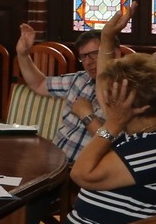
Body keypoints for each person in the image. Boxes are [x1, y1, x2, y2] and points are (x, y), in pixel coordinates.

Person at [0, 49, 156, 224]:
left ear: (125, 103)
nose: (105, 103)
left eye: (109, 97)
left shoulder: (154, 147)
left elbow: (81, 174)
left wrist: (112, 124)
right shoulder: (147, 135)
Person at [14, 24, 104, 156]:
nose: (88, 62)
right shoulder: (79, 79)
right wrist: (23, 55)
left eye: (94, 54)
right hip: (54, 157)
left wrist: (87, 116)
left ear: (116, 53)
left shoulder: (127, 92)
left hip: (82, 166)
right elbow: (39, 84)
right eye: (83, 57)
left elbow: (113, 144)